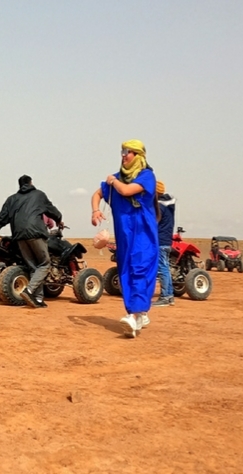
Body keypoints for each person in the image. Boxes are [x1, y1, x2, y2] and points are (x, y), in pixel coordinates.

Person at [91, 139, 158, 338]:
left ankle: (134, 316)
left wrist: (113, 181)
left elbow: (127, 191)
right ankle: (140, 314)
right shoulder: (117, 178)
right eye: (122, 151)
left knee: (139, 269)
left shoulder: (147, 176)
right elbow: (97, 194)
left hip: (143, 236)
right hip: (124, 237)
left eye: (128, 152)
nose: (123, 155)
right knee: (126, 272)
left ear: (138, 155)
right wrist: (95, 211)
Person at [0, 175, 63, 308]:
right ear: (31, 183)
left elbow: (2, 218)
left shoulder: (12, 199)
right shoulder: (39, 195)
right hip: (36, 233)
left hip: (19, 236)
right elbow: (52, 210)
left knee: (33, 267)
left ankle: (38, 299)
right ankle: (29, 290)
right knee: (45, 264)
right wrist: (59, 220)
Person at [154, 182, 175, 307]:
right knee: (165, 268)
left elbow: (153, 223)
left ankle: (165, 297)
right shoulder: (168, 205)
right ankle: (170, 295)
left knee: (162, 269)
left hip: (160, 241)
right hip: (167, 240)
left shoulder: (159, 207)